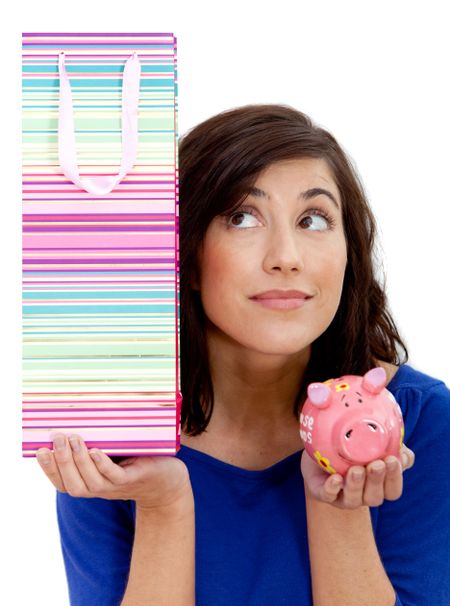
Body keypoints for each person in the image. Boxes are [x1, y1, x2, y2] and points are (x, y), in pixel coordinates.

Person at [36, 104, 450, 606]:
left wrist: (338, 508)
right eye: (242, 217)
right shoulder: (111, 438)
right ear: (183, 252)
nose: (286, 257)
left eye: (313, 219)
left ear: (349, 252)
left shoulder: (420, 418)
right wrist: (164, 504)